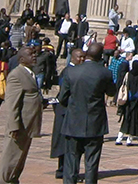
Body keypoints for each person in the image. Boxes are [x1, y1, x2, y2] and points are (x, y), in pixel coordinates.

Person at [58, 42, 116, 184]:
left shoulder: (71, 71)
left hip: (74, 120)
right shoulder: (104, 72)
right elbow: (112, 92)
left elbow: (62, 98)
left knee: (71, 161)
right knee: (92, 163)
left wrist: (73, 107)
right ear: (101, 56)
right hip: (95, 122)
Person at [0, 46, 43, 184]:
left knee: (20, 158)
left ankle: (13, 180)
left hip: (29, 124)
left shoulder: (30, 73)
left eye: (34, 53)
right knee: (11, 158)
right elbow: (12, 103)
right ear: (22, 59)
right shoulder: (17, 75)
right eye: (30, 54)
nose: (34, 56)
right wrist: (14, 125)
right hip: (19, 125)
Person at [51, 47, 85, 179]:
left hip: (67, 110)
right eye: (79, 57)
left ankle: (66, 170)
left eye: (83, 57)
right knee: (66, 143)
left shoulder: (74, 71)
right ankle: (65, 171)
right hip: (66, 110)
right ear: (73, 57)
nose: (82, 59)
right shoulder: (69, 71)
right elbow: (64, 93)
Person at [116, 61, 138, 145]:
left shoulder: (128, 74)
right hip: (136, 102)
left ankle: (119, 139)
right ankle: (129, 140)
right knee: (134, 122)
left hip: (127, 100)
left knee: (125, 120)